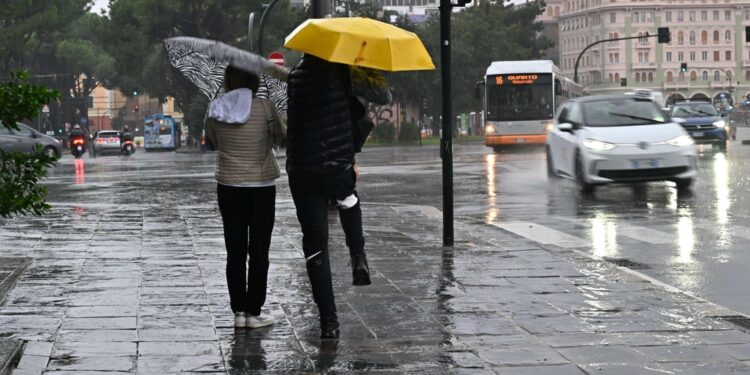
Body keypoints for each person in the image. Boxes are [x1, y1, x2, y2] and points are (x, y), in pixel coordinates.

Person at [286, 55, 389, 339]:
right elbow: (383, 94)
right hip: (338, 164)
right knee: (348, 198)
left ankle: (328, 322)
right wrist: (364, 64)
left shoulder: (295, 76)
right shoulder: (344, 71)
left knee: (315, 245)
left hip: (302, 169)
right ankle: (358, 254)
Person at [205, 65, 286, 329]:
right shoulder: (265, 107)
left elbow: (212, 142)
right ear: (254, 80)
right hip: (261, 187)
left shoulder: (215, 108)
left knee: (235, 249)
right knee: (259, 250)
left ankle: (238, 311)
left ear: (228, 80)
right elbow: (280, 138)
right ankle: (254, 311)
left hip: (228, 185)